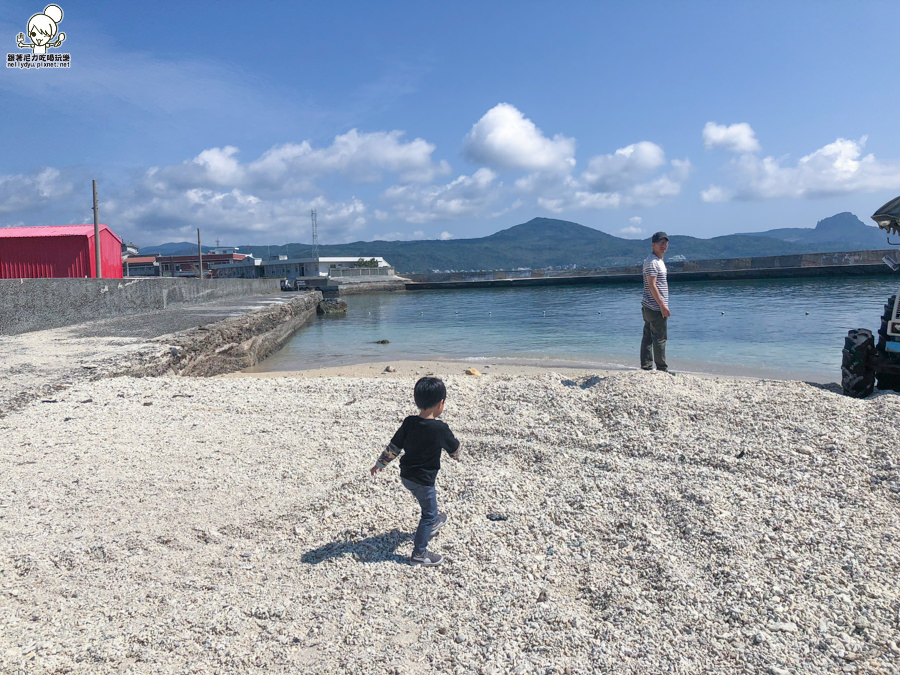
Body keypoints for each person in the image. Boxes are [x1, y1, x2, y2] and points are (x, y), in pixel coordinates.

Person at [370, 376, 461, 566]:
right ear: (441, 403)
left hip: (407, 476)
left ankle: (435, 521)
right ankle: (419, 554)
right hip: (423, 480)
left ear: (417, 402)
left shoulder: (409, 422)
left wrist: (380, 464)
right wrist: (455, 454)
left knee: (428, 506)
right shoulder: (440, 428)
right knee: (427, 513)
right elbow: (454, 448)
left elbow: (393, 447)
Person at [641, 231, 671, 372]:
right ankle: (662, 368)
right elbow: (652, 285)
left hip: (648, 305)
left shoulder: (657, 261)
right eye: (660, 243)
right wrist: (662, 305)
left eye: (665, 243)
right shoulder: (653, 262)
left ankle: (646, 366)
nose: (663, 245)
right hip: (654, 307)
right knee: (660, 337)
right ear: (653, 244)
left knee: (648, 336)